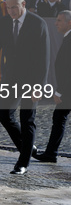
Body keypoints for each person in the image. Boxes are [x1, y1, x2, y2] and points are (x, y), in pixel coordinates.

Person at [0, 0, 50, 175]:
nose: (11, 11)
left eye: (14, 7)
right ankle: (28, 147)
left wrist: (39, 86)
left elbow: (44, 59)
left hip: (31, 79)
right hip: (11, 78)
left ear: (23, 4)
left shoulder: (38, 24)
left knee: (27, 119)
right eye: (8, 7)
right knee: (4, 115)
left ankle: (23, 162)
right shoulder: (4, 22)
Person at [33, 11, 71, 163]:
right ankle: (51, 153)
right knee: (59, 118)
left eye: (59, 21)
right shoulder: (67, 38)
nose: (56, 23)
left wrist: (60, 91)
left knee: (59, 118)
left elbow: (68, 68)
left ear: (69, 22)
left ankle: (51, 153)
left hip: (67, 90)